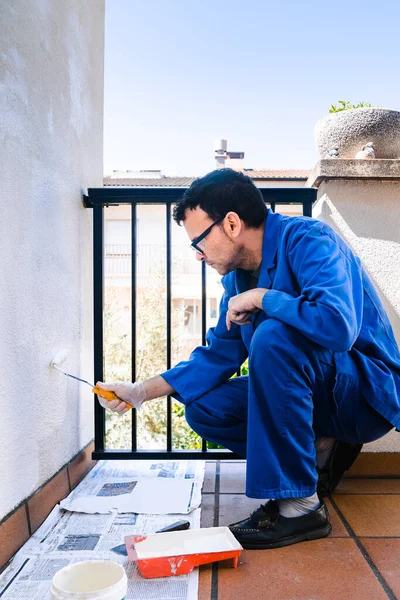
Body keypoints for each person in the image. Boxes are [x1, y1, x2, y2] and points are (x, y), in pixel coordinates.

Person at [96, 169, 400, 550]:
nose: (198, 254)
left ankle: (301, 508)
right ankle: (317, 455)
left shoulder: (310, 240)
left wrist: (263, 298)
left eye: (199, 241)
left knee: (273, 334)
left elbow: (338, 326)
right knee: (204, 407)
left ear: (233, 223)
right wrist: (140, 391)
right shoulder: (237, 279)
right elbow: (216, 356)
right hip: (321, 397)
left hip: (363, 397)